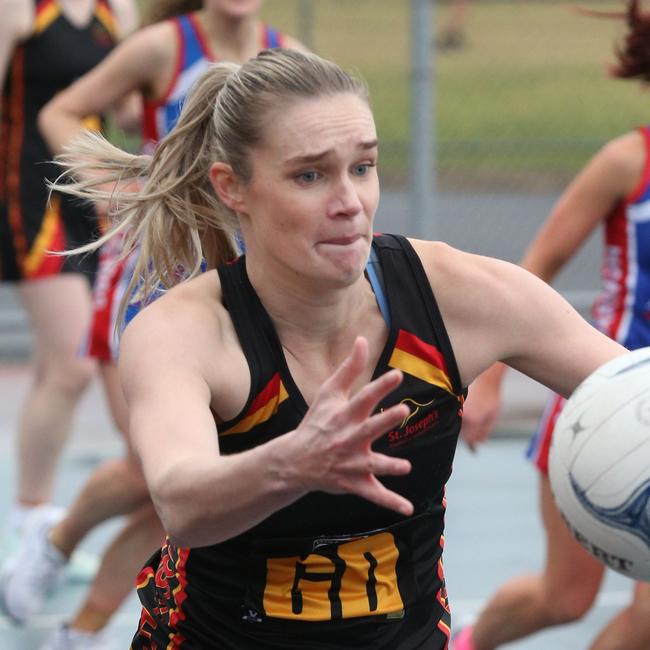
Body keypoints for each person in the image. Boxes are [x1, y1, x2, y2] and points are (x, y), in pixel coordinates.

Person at [50, 48, 625, 649]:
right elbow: (181, 501)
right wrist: (292, 463)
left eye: (363, 167)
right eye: (310, 175)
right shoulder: (185, 332)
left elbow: (628, 386)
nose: (349, 200)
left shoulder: (458, 296)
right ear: (232, 187)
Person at [1, 2, 306, 647]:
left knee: (187, 493)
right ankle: (54, 545)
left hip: (235, 286)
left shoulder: (289, 57)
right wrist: (110, 190)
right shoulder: (166, 46)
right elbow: (59, 111)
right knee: (151, 468)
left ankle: (80, 632)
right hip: (152, 277)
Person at [452, 2, 650, 649]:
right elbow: (533, 270)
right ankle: (464, 643)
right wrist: (488, 382)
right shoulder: (627, 162)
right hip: (607, 403)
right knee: (565, 599)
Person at [0, 0, 138, 582]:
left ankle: (40, 523)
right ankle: (29, 528)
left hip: (92, 195)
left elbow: (129, 108)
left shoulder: (117, 12)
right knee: (71, 364)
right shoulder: (19, 10)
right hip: (27, 193)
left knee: (74, 364)